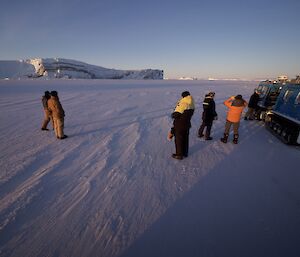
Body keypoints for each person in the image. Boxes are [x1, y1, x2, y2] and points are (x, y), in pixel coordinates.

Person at [169, 91, 195, 160]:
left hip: (179, 125)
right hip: (187, 124)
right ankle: (185, 153)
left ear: (183, 96)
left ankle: (179, 155)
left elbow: (176, 114)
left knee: (178, 140)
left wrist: (173, 114)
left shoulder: (183, 103)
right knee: (185, 139)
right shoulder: (192, 102)